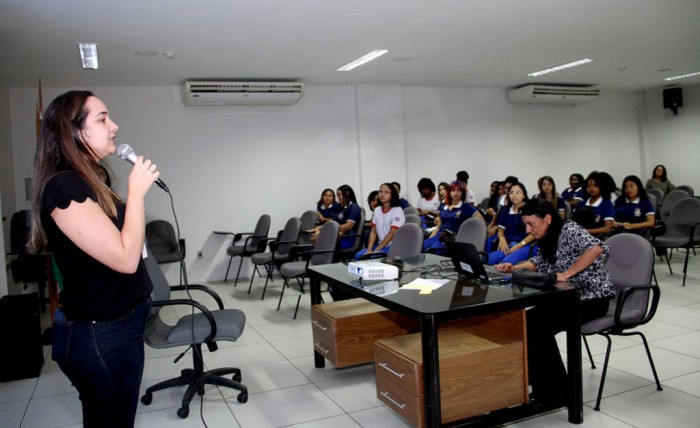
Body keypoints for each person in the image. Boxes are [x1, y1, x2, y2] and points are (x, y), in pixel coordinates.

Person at [28, 91, 157, 427]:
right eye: (101, 119)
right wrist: (138, 193)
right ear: (73, 132)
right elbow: (127, 259)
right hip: (101, 335)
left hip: (116, 328)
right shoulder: (64, 187)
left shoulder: (88, 180)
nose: (113, 126)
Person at [495, 198, 615, 401]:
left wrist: (566, 274)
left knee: (536, 325)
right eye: (526, 224)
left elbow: (597, 249)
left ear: (547, 219)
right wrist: (515, 268)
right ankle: (545, 384)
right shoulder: (548, 235)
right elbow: (539, 261)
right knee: (526, 321)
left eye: (531, 223)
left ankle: (558, 390)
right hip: (566, 297)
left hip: (592, 298)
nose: (528, 229)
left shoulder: (569, 229)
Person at [423, 181, 482, 252]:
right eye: (453, 190)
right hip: (439, 235)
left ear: (462, 192)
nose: (455, 193)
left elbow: (481, 223)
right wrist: (430, 238)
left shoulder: (466, 207)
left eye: (458, 190)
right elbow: (438, 227)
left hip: (451, 238)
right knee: (422, 247)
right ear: (449, 192)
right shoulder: (444, 206)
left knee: (431, 251)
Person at [487, 182, 536, 265]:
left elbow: (534, 233)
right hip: (510, 244)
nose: (514, 195)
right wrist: (502, 239)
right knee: (488, 260)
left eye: (518, 192)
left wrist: (520, 245)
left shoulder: (530, 209)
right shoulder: (505, 209)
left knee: (506, 261)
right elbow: (501, 230)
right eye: (512, 192)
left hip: (526, 245)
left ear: (524, 195)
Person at [355, 183, 405, 259]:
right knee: (358, 256)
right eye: (380, 191)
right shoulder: (377, 210)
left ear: (392, 195)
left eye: (386, 192)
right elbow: (373, 232)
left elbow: (391, 234)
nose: (382, 194)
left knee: (371, 257)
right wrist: (369, 249)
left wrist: (377, 250)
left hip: (394, 246)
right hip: (381, 245)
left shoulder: (397, 210)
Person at [573, 172, 615, 237]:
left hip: (596, 238)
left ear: (601, 187)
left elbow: (607, 229)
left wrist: (588, 231)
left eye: (595, 186)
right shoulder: (581, 204)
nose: (591, 189)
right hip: (578, 236)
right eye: (588, 186)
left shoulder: (607, 204)